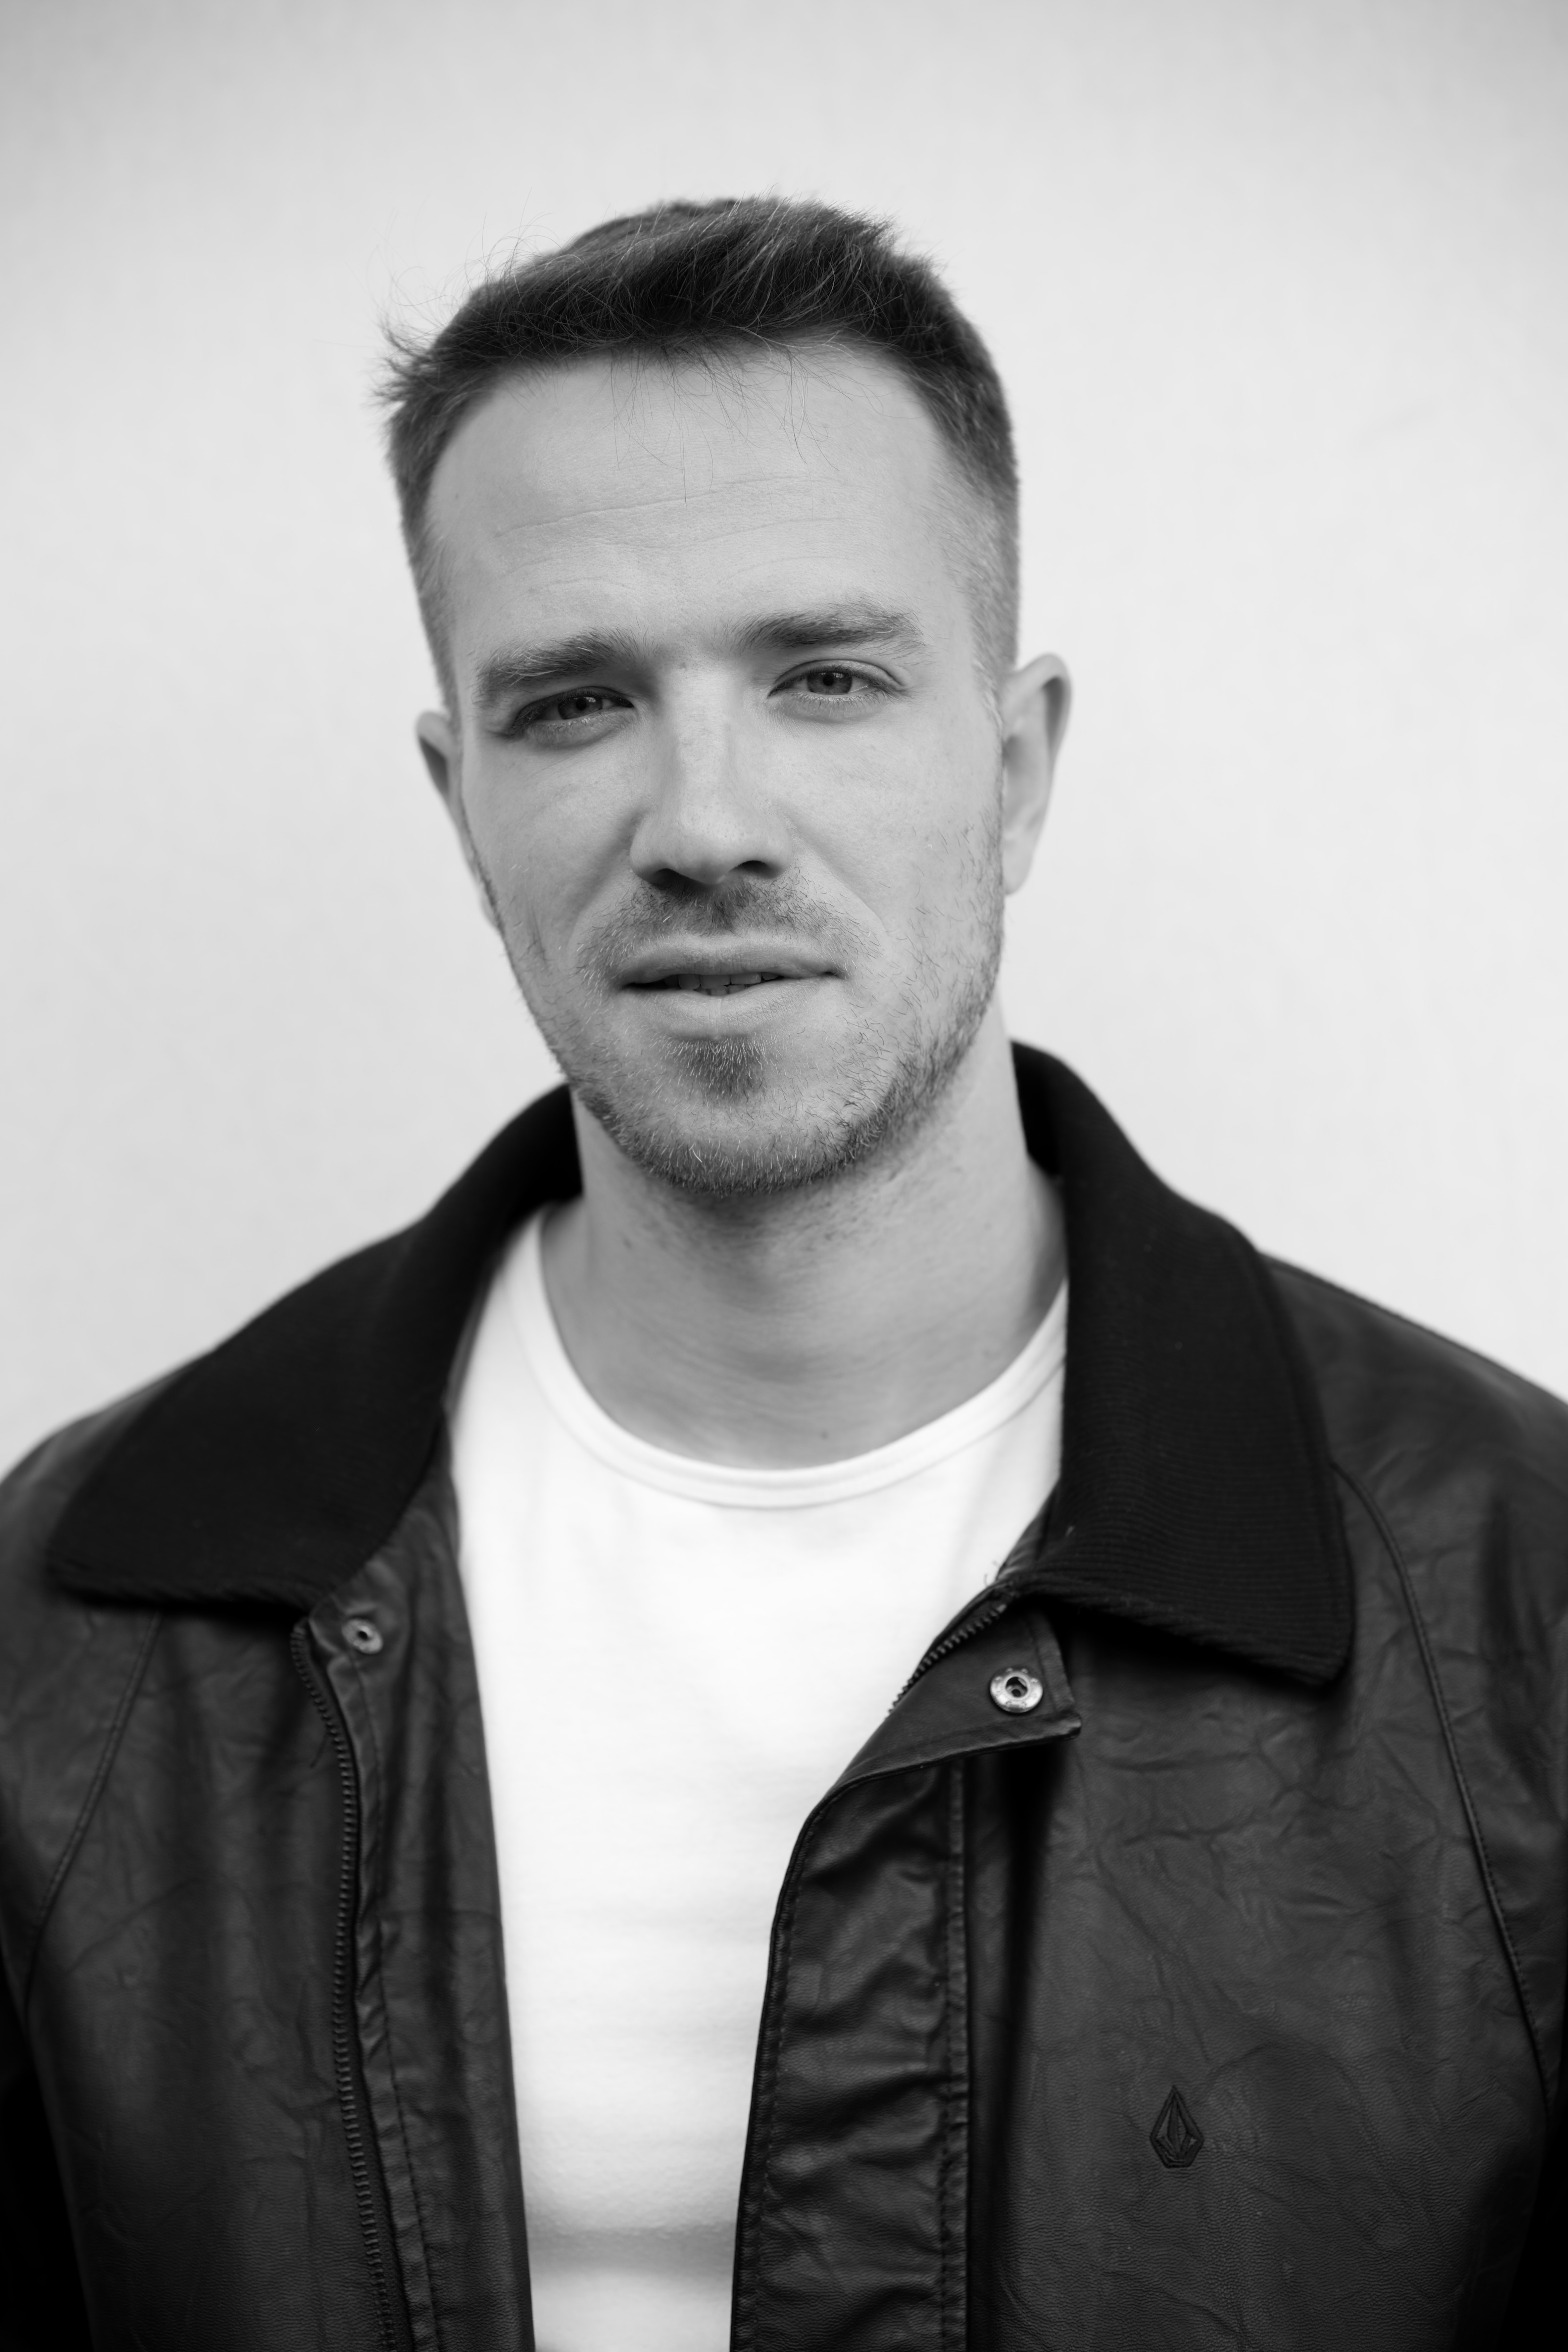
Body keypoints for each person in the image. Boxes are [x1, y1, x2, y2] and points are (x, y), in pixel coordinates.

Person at [0, 197, 1562, 2352]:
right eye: (573, 704)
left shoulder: (1521, 1606)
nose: (704, 817)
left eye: (824, 677)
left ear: (1013, 769)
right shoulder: (74, 1628)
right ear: (461, 801)